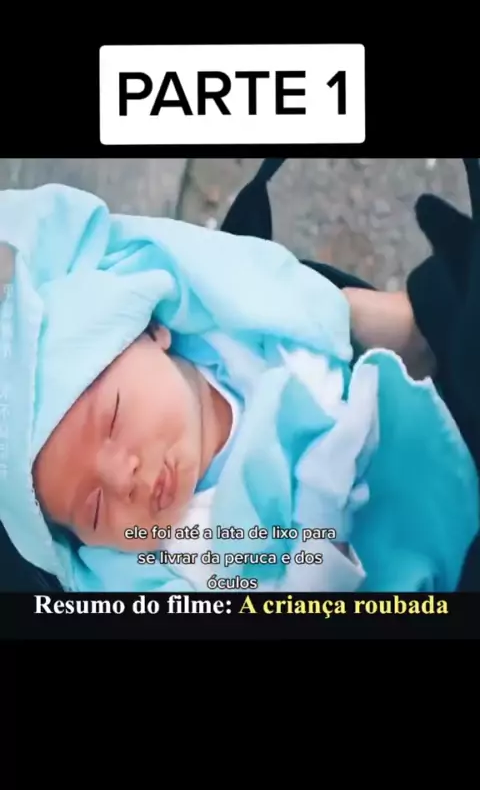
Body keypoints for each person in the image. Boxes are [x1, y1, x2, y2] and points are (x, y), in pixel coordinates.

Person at [1, 159, 479, 592]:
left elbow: (297, 306)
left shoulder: (240, 332)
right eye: (94, 510)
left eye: (114, 418)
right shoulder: (172, 560)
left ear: (152, 331)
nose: (122, 477)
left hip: (430, 451)